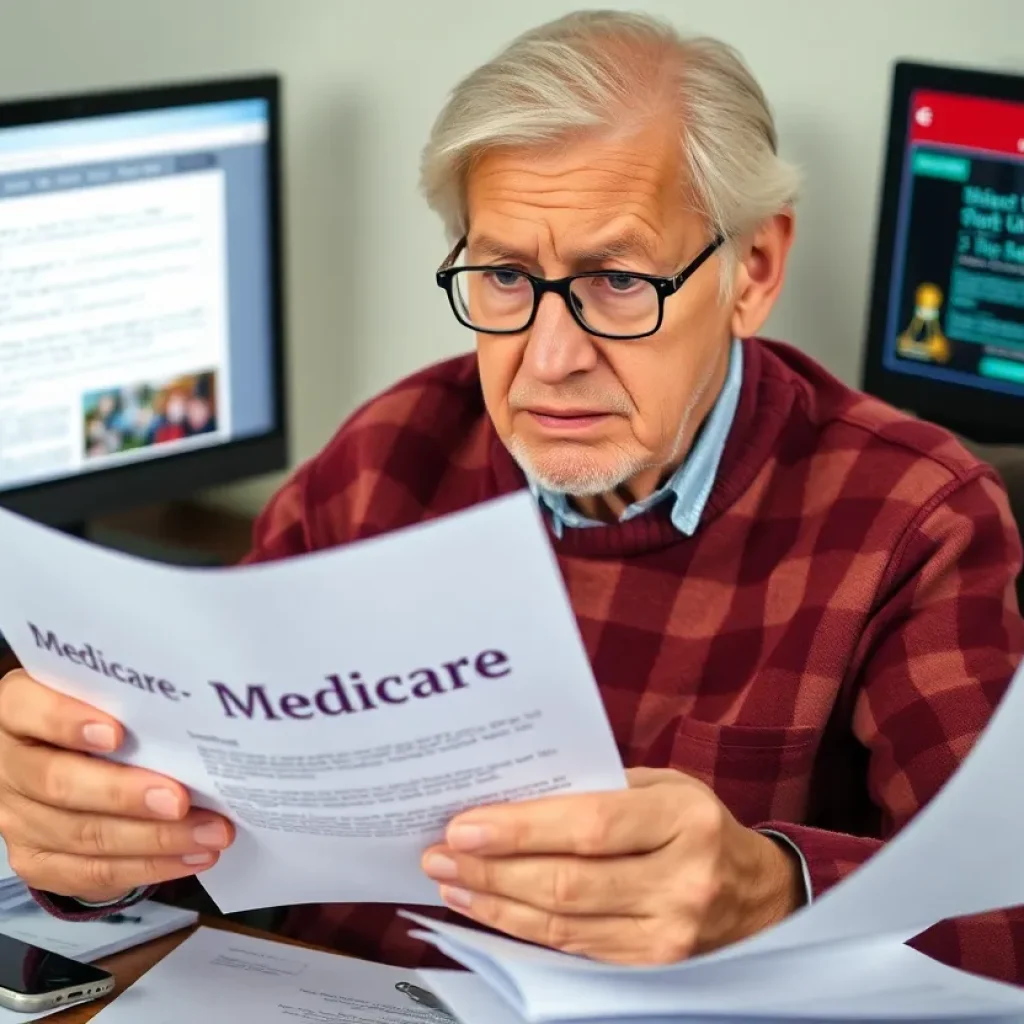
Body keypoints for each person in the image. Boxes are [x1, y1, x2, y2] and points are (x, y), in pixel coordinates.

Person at [0, 9, 1021, 981]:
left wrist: (773, 891)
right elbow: (196, 826)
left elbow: (1006, 921)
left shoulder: (913, 516)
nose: (549, 357)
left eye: (617, 280)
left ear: (751, 271)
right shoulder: (386, 459)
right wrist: (88, 837)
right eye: (502, 277)